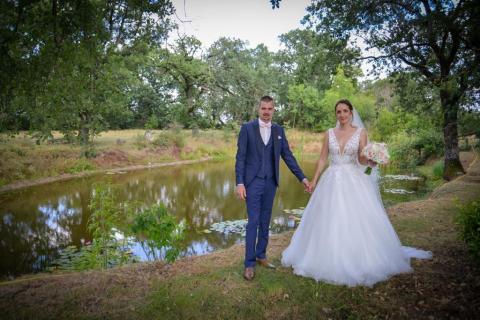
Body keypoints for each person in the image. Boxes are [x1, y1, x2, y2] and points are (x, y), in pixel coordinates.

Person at [281, 99, 432, 287]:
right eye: (338, 112)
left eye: (345, 111)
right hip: (331, 179)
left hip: (353, 179)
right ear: (335, 114)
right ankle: (325, 255)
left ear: (351, 113)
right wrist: (314, 180)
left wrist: (372, 159)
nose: (342, 115)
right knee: (328, 218)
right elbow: (322, 159)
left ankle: (358, 256)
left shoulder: (360, 132)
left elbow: (361, 158)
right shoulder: (329, 133)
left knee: (354, 218)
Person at [235, 95, 310, 281]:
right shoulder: (247, 129)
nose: (266, 112)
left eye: (270, 108)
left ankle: (261, 255)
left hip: (270, 182)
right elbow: (241, 158)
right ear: (258, 109)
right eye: (263, 108)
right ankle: (249, 263)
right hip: (252, 182)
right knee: (253, 221)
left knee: (265, 220)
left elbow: (288, 156)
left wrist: (302, 178)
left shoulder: (278, 130)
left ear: (274, 109)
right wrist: (240, 182)